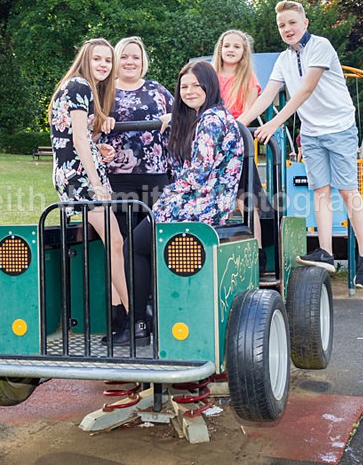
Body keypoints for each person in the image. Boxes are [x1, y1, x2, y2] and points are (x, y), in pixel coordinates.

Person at [240, 0, 363, 287]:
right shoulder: (284, 59)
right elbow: (266, 96)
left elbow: (306, 88)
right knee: (320, 191)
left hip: (339, 128)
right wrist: (238, 123)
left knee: (347, 189)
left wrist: (275, 123)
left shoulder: (321, 46)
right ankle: (325, 251)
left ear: (304, 23)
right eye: (281, 25)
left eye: (291, 22)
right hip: (312, 132)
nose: (287, 29)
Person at [114, 60, 244, 346]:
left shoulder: (211, 121)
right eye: (184, 86)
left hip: (201, 203)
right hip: (202, 200)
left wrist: (163, 202)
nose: (189, 91)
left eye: (196, 85)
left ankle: (138, 322)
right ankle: (151, 314)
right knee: (143, 243)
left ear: (209, 86)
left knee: (133, 245)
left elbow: (197, 175)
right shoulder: (203, 118)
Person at [49, 38, 131, 327]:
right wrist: (97, 185)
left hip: (74, 173)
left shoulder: (77, 87)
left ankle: (117, 312)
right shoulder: (79, 86)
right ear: (86, 59)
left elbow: (80, 138)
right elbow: (78, 140)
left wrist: (100, 150)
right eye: (97, 59)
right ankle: (131, 316)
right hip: (80, 177)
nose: (103, 65)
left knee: (111, 243)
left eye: (108, 61)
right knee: (116, 241)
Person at [98, 36, 173, 237]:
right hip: (117, 176)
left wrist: (170, 116)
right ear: (115, 61)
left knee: (157, 234)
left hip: (154, 174)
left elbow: (185, 114)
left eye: (135, 57)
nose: (130, 62)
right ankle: (125, 270)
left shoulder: (156, 89)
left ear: (143, 61)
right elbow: (87, 125)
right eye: (124, 57)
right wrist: (101, 120)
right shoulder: (104, 90)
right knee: (124, 237)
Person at [212, 29, 270, 273]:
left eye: (237, 46)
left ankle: (255, 252)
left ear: (244, 52)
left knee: (246, 199)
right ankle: (216, 247)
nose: (231, 50)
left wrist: (231, 130)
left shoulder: (248, 79)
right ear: (220, 48)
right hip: (212, 142)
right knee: (214, 198)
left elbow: (247, 113)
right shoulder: (211, 76)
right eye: (227, 45)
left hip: (236, 140)